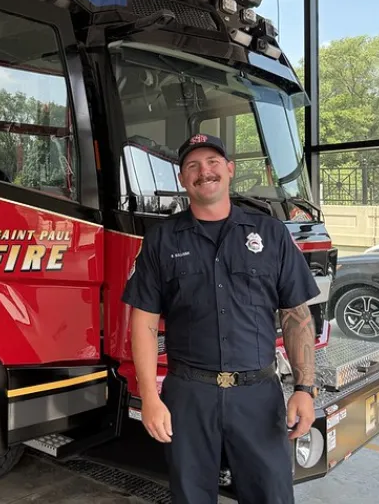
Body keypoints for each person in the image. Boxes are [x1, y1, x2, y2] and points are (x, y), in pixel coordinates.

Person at [122, 133, 320, 504]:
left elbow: (296, 315)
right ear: (182, 179)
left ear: (229, 170)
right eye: (193, 166)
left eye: (213, 162)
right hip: (189, 396)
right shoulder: (161, 241)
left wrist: (305, 390)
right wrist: (149, 395)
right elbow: (144, 323)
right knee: (191, 497)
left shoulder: (270, 234)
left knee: (272, 495)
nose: (204, 172)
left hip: (258, 396)